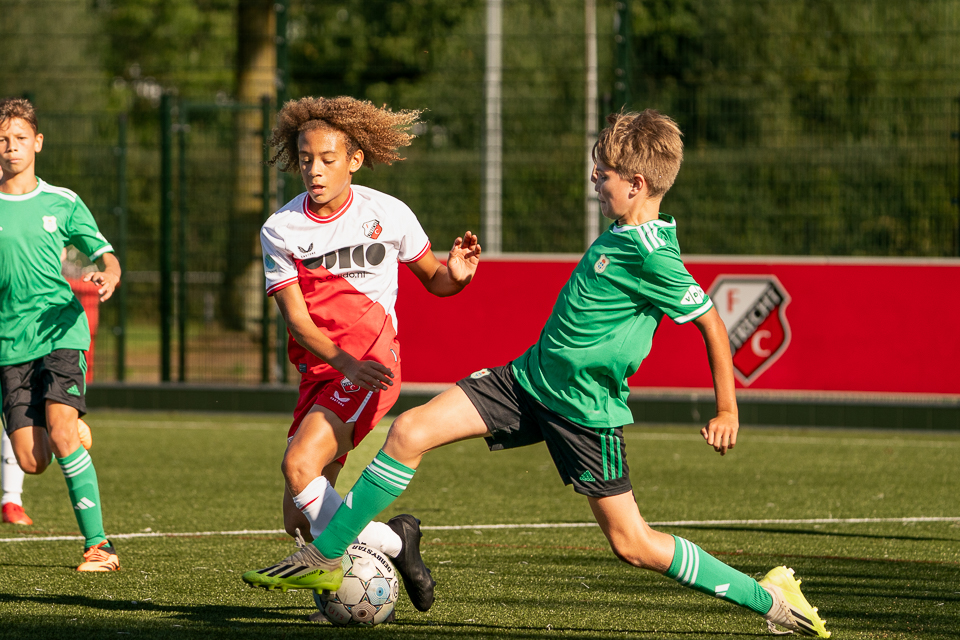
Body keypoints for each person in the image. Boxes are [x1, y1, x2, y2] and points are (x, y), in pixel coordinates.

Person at [242, 109, 830, 637]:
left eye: (604, 175)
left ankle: (770, 598)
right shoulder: (625, 233)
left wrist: (727, 409)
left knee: (633, 544)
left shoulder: (653, 254)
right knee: (408, 432)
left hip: (584, 415)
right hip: (523, 383)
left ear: (638, 184)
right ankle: (326, 558)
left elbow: (712, 326)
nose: (596, 183)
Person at [248, 96, 480, 612]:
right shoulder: (280, 229)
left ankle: (368, 553)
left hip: (373, 366)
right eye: (306, 158)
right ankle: (398, 541)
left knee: (299, 462)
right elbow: (298, 323)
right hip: (324, 371)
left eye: (328, 159)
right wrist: (340, 362)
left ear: (353, 160)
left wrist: (457, 276)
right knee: (298, 519)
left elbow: (436, 281)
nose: (315, 170)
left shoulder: (388, 212)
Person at [0, 97, 121, 571]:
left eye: (20, 139)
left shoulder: (63, 201)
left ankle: (100, 547)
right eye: (2, 140)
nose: (10, 148)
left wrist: (109, 273)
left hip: (60, 331)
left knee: (62, 431)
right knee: (32, 461)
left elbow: (103, 252)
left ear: (38, 143)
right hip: (11, 343)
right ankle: (68, 426)